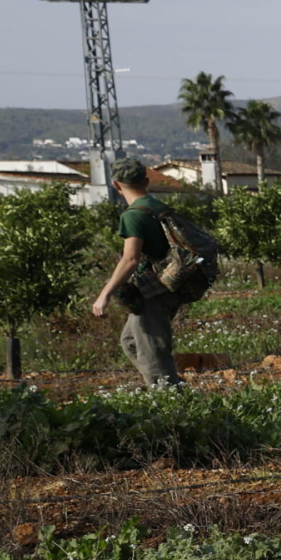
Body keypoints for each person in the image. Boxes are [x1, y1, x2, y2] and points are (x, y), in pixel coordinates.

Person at [88, 158, 185, 389]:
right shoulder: (159, 207)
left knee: (152, 352)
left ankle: (172, 403)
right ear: (147, 181)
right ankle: (169, 390)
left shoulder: (133, 215)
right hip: (168, 285)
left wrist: (105, 294)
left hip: (153, 291)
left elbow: (131, 258)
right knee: (130, 341)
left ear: (116, 185)